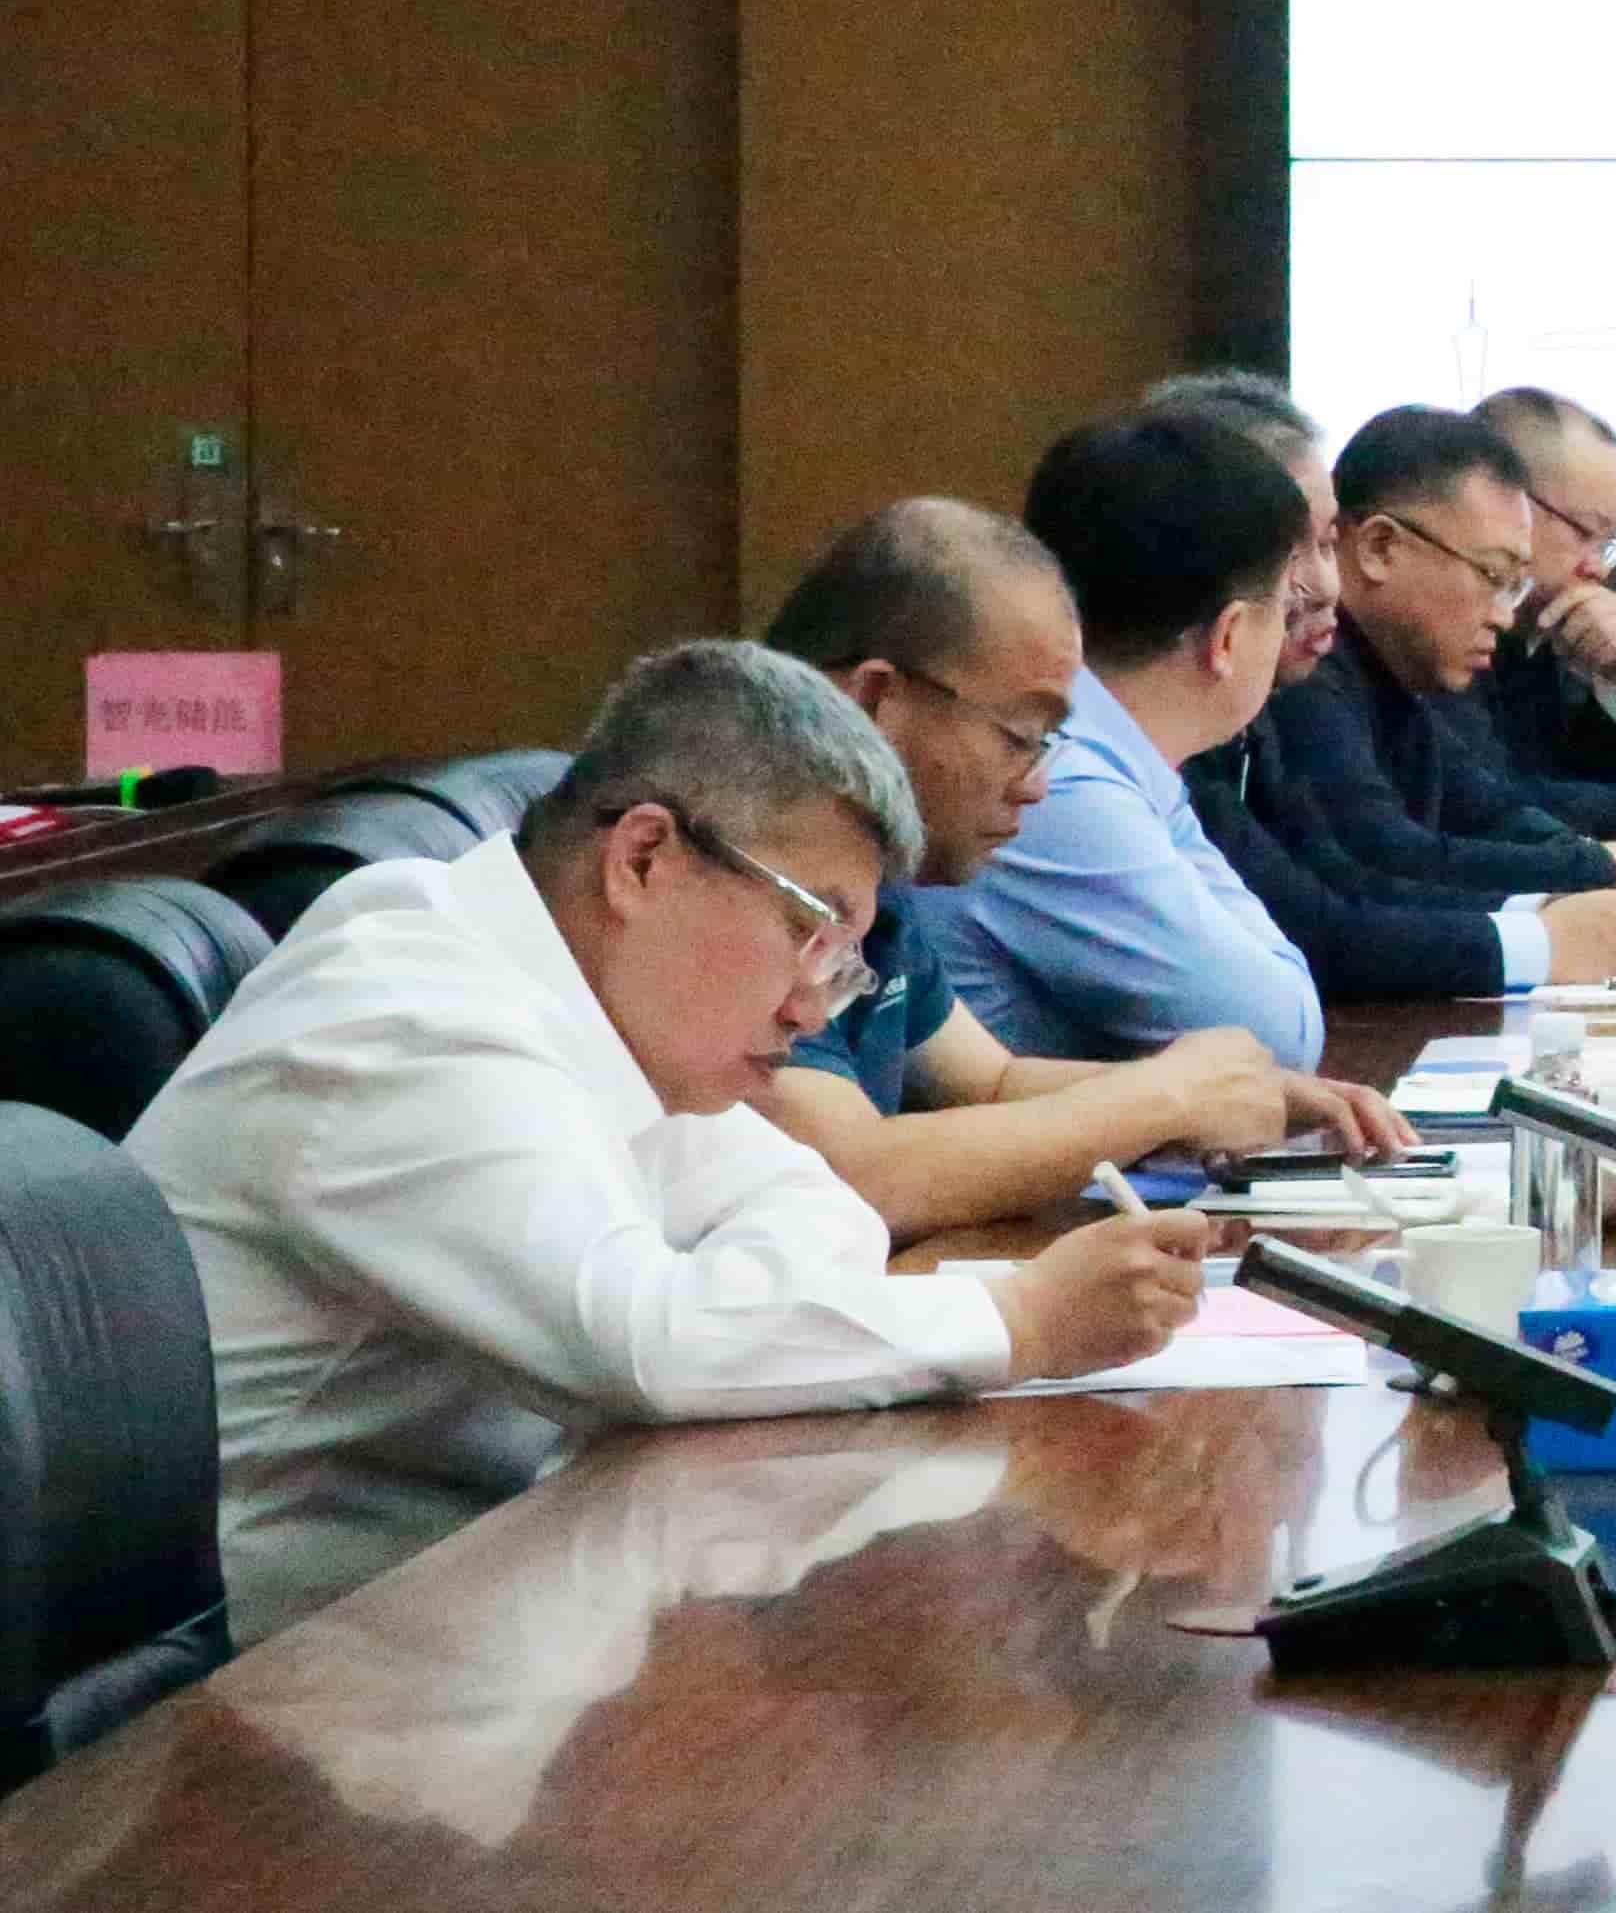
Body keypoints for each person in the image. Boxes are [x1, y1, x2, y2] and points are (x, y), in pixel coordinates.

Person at [127, 641, 1208, 1639]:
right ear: (643, 857)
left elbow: (811, 1201)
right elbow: (652, 1344)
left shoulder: (580, 1003)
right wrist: (1020, 1317)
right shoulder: (411, 1016)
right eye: (806, 930)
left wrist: (733, 1311)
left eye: (842, 960)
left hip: (453, 1603)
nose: (813, 1007)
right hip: (255, 1684)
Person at [748, 496, 1409, 1237]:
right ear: (877, 701)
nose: (1037, 785)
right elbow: (852, 1177)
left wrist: (1236, 1093)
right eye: (1020, 736)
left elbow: (990, 1082)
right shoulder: (745, 862)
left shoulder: (878, 877)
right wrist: (1166, 1098)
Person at [1153, 381, 1616, 1001]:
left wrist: (1583, 898)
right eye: (1307, 550)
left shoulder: (1312, 697)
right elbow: (1330, 918)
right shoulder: (1280, 699)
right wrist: (1565, 922)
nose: (1326, 585)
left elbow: (1364, 872)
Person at [916, 407, 1333, 1071]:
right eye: (1284, 609)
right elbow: (1279, 1037)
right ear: (1227, 637)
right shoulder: (1059, 783)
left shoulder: (1117, 755)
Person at [1474, 383, 1616, 799]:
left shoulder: (1532, 642)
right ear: (1506, 502)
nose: (1598, 568)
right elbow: (1506, 814)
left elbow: (1590, 806)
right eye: (1585, 531)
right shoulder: (1434, 641)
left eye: (1608, 543)